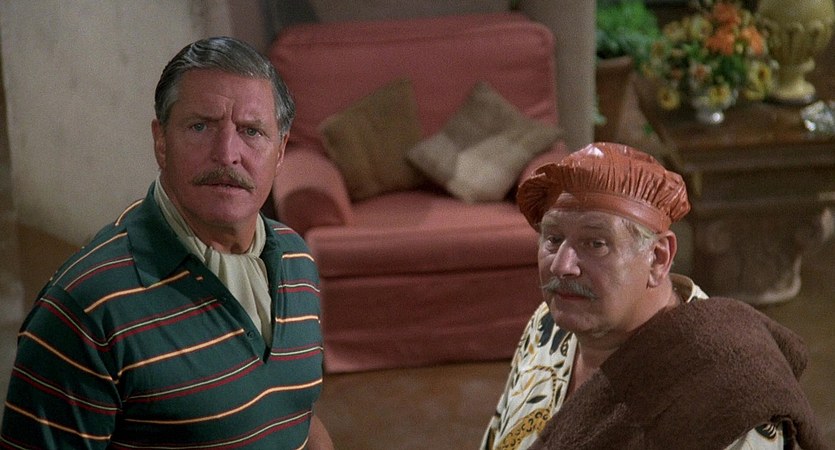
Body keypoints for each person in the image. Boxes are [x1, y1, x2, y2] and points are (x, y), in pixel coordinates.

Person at [1, 37, 333, 449]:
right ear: (161, 141)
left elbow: (297, 414)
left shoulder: (296, 259)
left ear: (280, 151)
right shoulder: (86, 309)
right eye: (200, 127)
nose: (227, 154)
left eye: (251, 131)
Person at [481, 142, 824, 450]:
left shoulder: (726, 393)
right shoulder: (547, 323)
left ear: (658, 258)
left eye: (595, 243)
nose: (562, 265)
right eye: (553, 239)